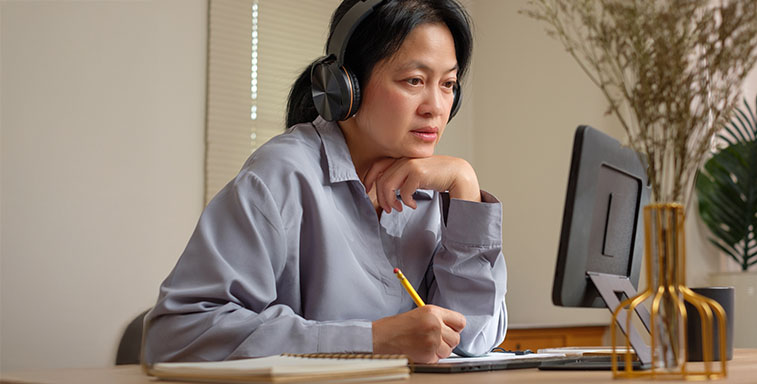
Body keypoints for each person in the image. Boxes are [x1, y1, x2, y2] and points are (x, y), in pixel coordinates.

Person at [142, 0, 507, 365]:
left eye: (447, 84)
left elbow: (471, 340)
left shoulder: (437, 187)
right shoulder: (282, 176)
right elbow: (177, 335)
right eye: (414, 81)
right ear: (347, 86)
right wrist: (373, 339)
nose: (436, 107)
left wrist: (465, 186)